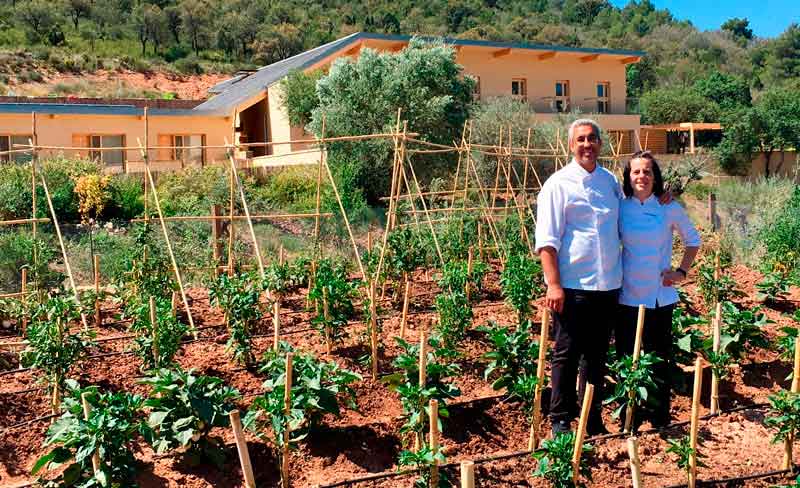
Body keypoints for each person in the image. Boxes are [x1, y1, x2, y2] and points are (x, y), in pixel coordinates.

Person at [535, 118, 621, 436]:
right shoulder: (558, 184)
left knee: (597, 357)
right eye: (581, 139)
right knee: (566, 353)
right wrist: (553, 284)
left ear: (600, 144)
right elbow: (546, 240)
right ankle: (560, 419)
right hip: (572, 286)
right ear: (571, 145)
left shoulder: (610, 181)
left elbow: (633, 207)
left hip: (607, 284)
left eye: (593, 138)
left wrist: (663, 197)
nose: (587, 144)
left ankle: (592, 416)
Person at [616, 151, 700, 428]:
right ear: (628, 177)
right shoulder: (621, 206)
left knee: (660, 358)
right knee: (627, 358)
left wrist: (680, 272)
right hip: (626, 294)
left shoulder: (668, 207)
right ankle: (630, 416)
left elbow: (693, 241)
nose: (641, 176)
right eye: (636, 172)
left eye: (647, 171)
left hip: (658, 295)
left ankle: (659, 415)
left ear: (655, 176)